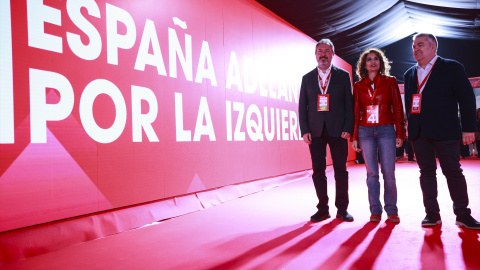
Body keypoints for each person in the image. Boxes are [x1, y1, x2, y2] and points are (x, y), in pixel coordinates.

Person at [404, 33, 480, 229]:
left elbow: (466, 98)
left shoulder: (452, 67)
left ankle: (463, 214)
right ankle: (431, 213)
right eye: (413, 46)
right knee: (426, 173)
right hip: (419, 133)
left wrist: (469, 128)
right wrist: (410, 129)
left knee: (453, 172)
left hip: (446, 130)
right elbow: (410, 104)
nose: (416, 49)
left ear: (433, 47)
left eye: (420, 45)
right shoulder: (409, 74)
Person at [299, 38, 354, 222]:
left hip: (339, 130)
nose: (323, 54)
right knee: (318, 171)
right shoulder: (307, 78)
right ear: (316, 55)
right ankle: (322, 208)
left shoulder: (343, 76)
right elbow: (302, 106)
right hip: (314, 131)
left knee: (341, 171)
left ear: (332, 54)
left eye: (327, 51)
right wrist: (304, 129)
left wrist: (348, 127)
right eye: (320, 51)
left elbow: (349, 104)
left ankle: (342, 209)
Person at [351, 48, 405, 223]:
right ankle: (375, 210)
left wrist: (400, 132)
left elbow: (397, 108)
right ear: (364, 64)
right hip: (365, 131)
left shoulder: (390, 81)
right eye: (369, 59)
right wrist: (354, 136)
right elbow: (355, 112)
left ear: (381, 63)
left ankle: (391, 209)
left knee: (389, 171)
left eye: (376, 59)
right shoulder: (358, 86)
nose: (372, 62)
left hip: (386, 130)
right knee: (371, 173)